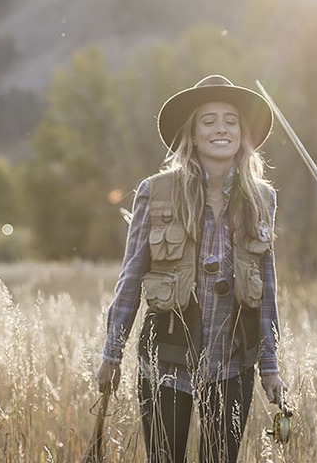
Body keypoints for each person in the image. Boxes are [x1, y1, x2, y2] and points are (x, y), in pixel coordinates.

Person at [95, 74, 287, 463]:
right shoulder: (156, 191)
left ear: (243, 133)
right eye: (209, 120)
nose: (221, 129)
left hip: (234, 361)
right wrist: (111, 354)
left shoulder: (261, 198)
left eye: (231, 120)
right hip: (166, 357)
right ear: (193, 134)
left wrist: (270, 367)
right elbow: (130, 278)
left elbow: (267, 288)